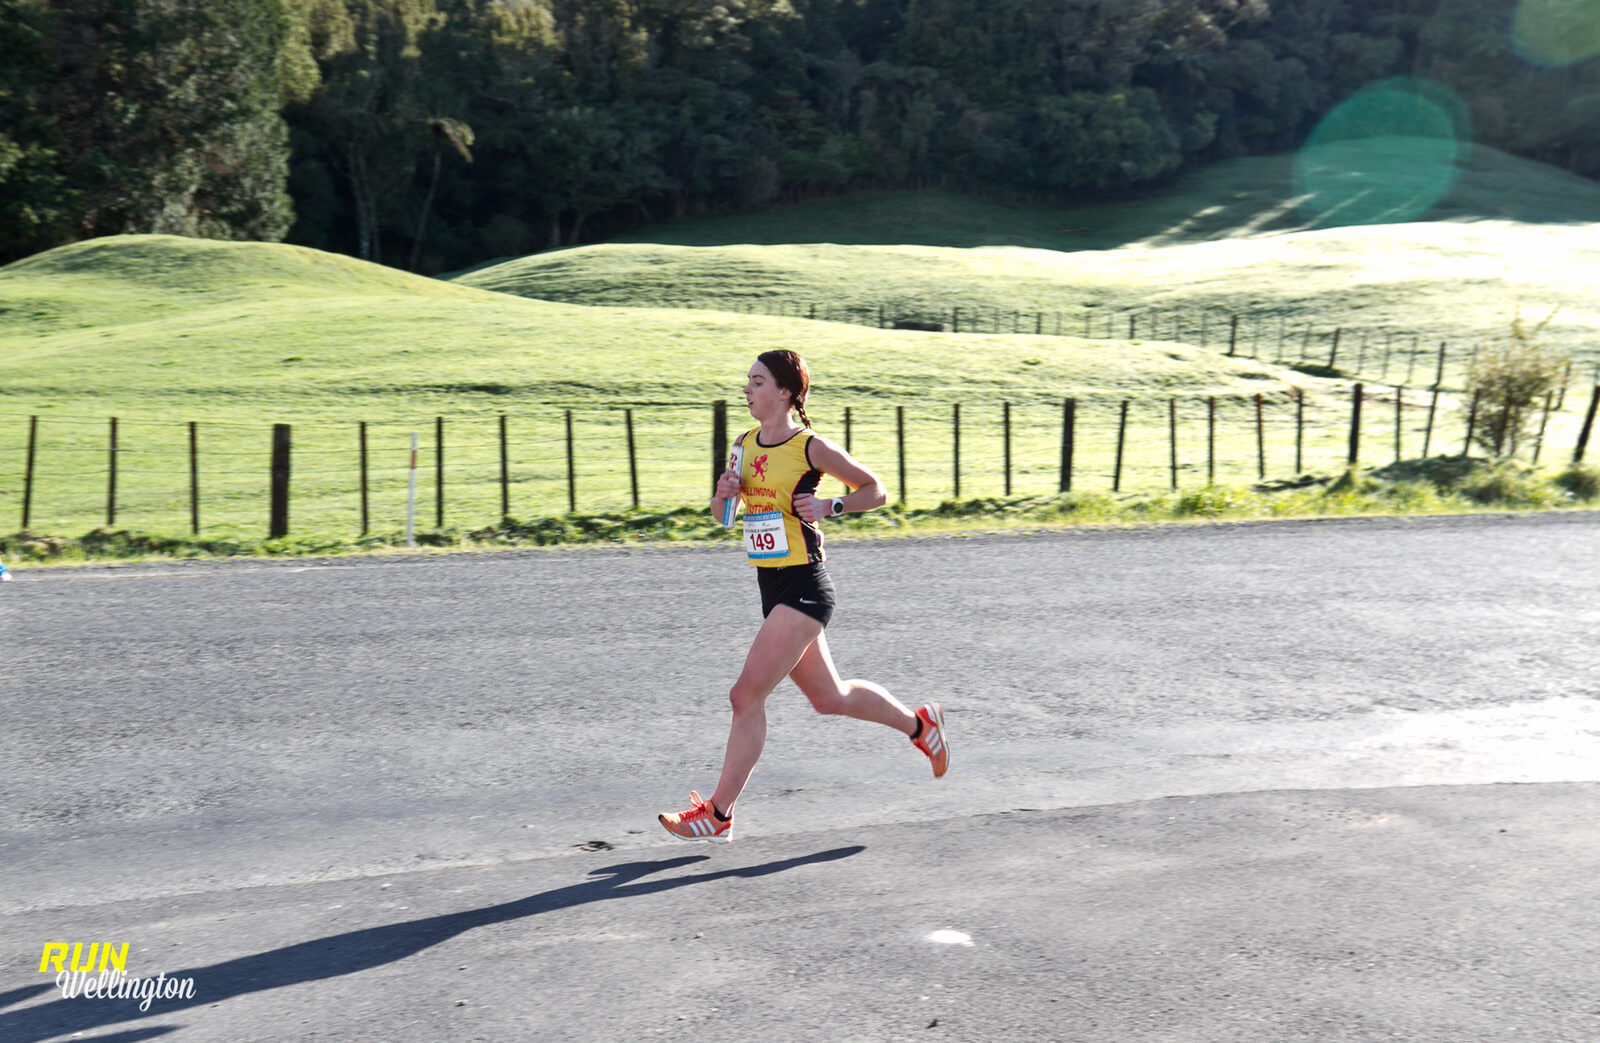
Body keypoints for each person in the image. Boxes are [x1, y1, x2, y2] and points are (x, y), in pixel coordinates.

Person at [659, 350, 947, 844]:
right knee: (829, 699)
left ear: (785, 392)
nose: (747, 389)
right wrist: (724, 493)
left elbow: (874, 490)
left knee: (744, 695)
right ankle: (921, 727)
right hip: (772, 589)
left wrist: (829, 504)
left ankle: (719, 813)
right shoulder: (743, 445)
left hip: (805, 588)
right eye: (747, 381)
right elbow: (723, 517)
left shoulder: (810, 447)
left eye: (757, 381)